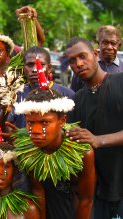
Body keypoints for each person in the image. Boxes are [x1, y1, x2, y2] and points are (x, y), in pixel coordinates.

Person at [14, 87, 95, 219]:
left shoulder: (83, 152)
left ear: (62, 121)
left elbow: (86, 200)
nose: (35, 130)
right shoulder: (27, 150)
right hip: (46, 208)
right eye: (30, 123)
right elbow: (37, 191)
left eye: (44, 122)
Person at [65, 37, 123, 219]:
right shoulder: (76, 101)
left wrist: (99, 140)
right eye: (72, 61)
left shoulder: (120, 82)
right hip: (97, 194)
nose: (79, 64)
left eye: (83, 56)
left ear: (95, 55)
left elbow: (94, 141)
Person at [8, 46, 75, 128]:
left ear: (49, 68)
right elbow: (8, 125)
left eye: (41, 65)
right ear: (23, 68)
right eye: (30, 65)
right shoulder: (16, 95)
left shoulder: (67, 94)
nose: (35, 69)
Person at [70, 25, 122, 92]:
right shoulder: (83, 67)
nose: (109, 47)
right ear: (99, 43)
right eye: (105, 42)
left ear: (119, 45)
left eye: (113, 43)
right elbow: (74, 96)